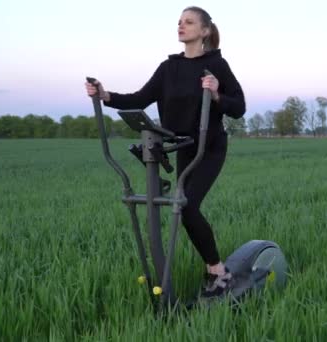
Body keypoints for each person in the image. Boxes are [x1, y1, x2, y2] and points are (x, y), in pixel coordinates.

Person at [85, 6, 246, 298]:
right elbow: (139, 98)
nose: (181, 26)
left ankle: (219, 272)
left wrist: (217, 94)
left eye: (188, 22)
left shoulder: (216, 66)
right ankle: (205, 271)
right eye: (179, 22)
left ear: (205, 31)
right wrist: (105, 95)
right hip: (182, 147)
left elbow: (239, 107)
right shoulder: (168, 68)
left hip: (209, 148)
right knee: (182, 209)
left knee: (187, 206)